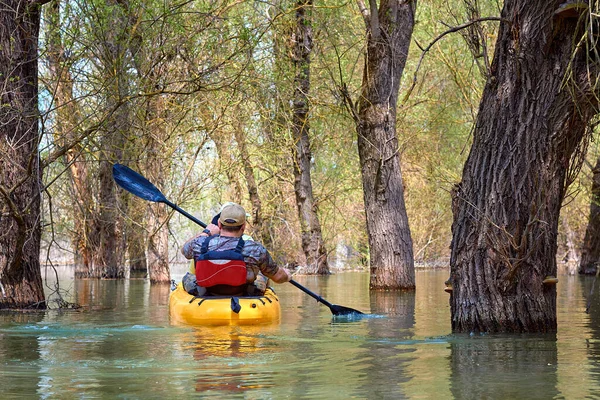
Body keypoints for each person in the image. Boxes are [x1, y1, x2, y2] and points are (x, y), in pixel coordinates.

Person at [181, 202, 291, 296]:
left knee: (188, 277)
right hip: (243, 293)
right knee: (263, 276)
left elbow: (184, 250)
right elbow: (277, 277)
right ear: (243, 226)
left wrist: (206, 232)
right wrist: (286, 276)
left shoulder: (199, 243)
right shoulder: (255, 249)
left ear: (219, 224)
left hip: (206, 292)